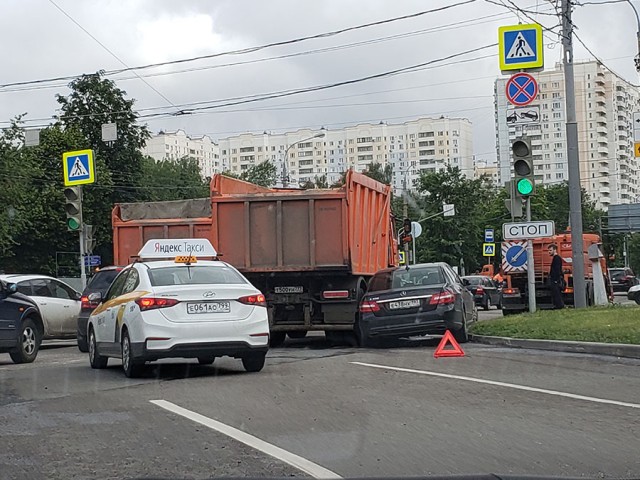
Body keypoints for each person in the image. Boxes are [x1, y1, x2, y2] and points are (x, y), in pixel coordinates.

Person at [548, 244, 565, 309]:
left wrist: (556, 280)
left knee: (557, 293)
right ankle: (558, 305)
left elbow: (557, 269)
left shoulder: (557, 258)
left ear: (554, 250)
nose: (549, 252)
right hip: (555, 279)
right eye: (548, 250)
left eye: (550, 250)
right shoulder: (556, 258)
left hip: (555, 280)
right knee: (556, 293)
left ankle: (559, 306)